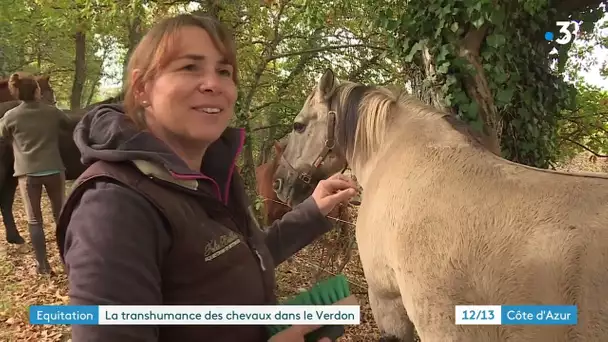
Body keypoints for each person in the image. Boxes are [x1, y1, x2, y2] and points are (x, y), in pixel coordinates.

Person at [55, 13, 358, 342]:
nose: (213, 83)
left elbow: (236, 258)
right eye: (190, 67)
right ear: (142, 88)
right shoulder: (113, 207)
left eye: (224, 71)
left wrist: (312, 212)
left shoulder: (210, 176)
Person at [0, 72, 70, 274]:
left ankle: (43, 266)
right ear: (38, 90)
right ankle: (68, 262)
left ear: (16, 93)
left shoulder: (10, 116)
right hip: (55, 169)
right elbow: (68, 124)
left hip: (28, 174)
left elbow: (2, 136)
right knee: (60, 216)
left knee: (34, 220)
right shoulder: (52, 112)